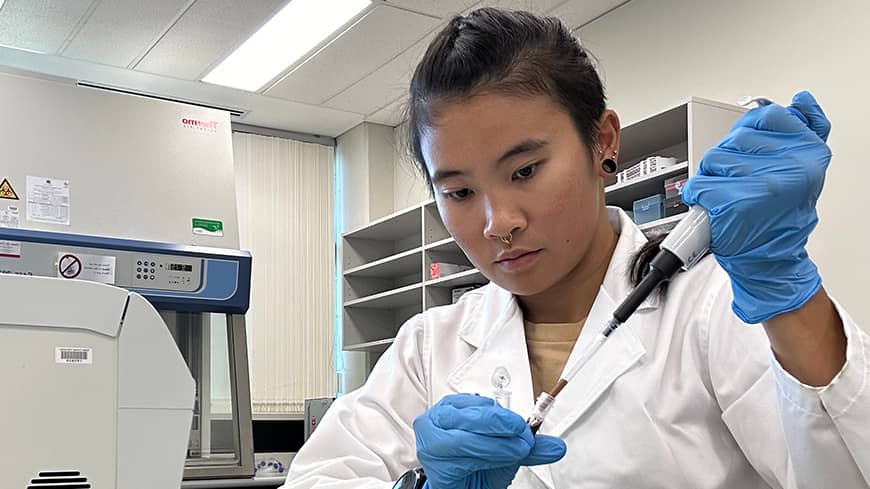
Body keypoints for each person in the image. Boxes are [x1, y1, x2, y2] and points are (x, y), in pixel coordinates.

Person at [284, 8, 870, 489]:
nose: (496, 224)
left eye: (525, 170)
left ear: (602, 141)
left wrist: (788, 297)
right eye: (459, 191)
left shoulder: (715, 308)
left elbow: (844, 471)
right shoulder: (429, 346)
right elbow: (319, 479)